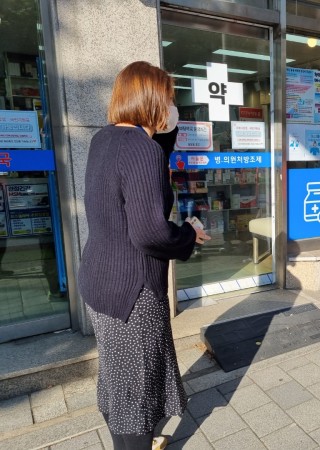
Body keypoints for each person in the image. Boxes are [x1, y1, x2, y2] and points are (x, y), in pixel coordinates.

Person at [78, 61, 210, 450]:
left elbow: (135, 190)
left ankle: (136, 441)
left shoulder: (104, 140)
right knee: (135, 394)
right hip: (131, 293)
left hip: (99, 281)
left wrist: (160, 135)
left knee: (117, 381)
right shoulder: (141, 149)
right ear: (153, 99)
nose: (174, 108)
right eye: (169, 99)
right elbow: (151, 231)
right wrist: (188, 235)